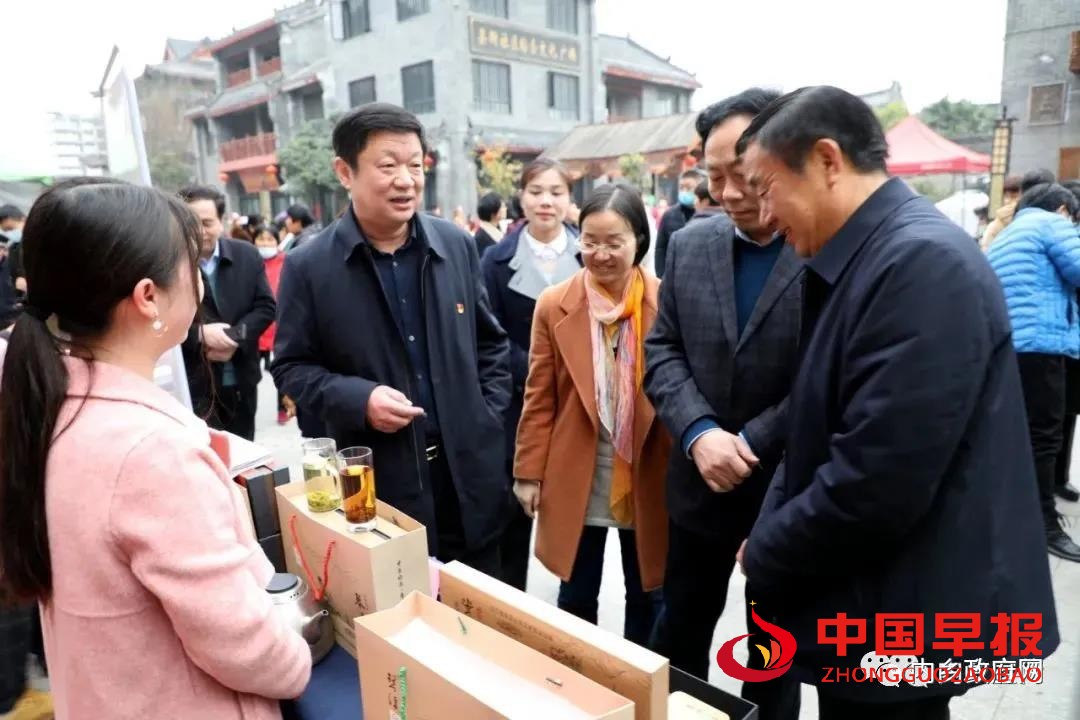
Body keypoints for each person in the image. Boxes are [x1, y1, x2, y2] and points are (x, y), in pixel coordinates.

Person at [737, 86, 1059, 720]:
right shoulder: (864, 256)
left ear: (827, 160)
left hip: (905, 611)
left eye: (766, 188)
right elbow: (818, 419)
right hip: (873, 597)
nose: (765, 216)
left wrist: (767, 548)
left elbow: (877, 480)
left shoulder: (919, 264)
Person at [0, 178, 311, 720]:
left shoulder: (51, 405)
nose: (199, 281)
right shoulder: (150, 452)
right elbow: (245, 646)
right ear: (148, 297)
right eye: (189, 266)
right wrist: (299, 656)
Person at [272, 103, 512, 574]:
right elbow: (291, 366)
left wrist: (485, 416)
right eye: (388, 166)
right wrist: (358, 400)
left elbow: (491, 344)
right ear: (345, 172)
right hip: (379, 486)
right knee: (401, 606)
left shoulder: (455, 245)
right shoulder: (309, 267)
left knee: (479, 607)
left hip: (468, 477)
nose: (406, 180)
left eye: (415, 165)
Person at [644, 88, 802, 720]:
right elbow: (663, 349)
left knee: (774, 654)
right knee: (681, 633)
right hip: (698, 482)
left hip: (785, 492)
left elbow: (828, 374)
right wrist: (699, 432)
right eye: (714, 177)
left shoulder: (822, 250)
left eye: (742, 174)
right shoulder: (690, 244)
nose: (730, 193)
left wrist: (752, 440)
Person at [514, 183, 670, 644]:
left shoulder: (665, 302)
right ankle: (580, 676)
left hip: (647, 470)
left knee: (647, 592)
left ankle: (638, 678)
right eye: (590, 241)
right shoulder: (554, 304)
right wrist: (528, 473)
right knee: (576, 593)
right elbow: (539, 395)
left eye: (614, 242)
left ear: (639, 240)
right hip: (578, 472)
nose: (601, 254)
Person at [481, 158, 583, 590]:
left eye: (556, 192)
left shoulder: (590, 254)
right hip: (517, 405)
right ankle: (512, 607)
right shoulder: (494, 260)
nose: (546, 201)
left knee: (580, 524)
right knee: (513, 520)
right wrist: (540, 369)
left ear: (569, 200)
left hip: (582, 403)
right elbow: (488, 336)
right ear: (520, 198)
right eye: (536, 191)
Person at [987, 183, 1080, 562]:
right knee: (1044, 438)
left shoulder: (1009, 234)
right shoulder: (1051, 223)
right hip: (1041, 344)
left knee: (1020, 435)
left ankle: (1010, 514)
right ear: (1062, 209)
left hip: (1009, 346)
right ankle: (1044, 526)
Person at [179, 185, 276, 440]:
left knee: (245, 448)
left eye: (207, 223)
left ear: (221, 222)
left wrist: (233, 337)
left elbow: (266, 307)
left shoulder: (247, 255)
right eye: (190, 223)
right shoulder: (169, 262)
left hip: (242, 377)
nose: (199, 231)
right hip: (196, 383)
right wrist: (199, 335)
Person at [253, 225, 289, 426]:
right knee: (252, 373)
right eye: (261, 239)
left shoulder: (287, 262)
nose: (265, 243)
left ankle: (283, 407)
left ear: (277, 242)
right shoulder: (250, 263)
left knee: (282, 370)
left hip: (280, 327)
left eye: (269, 239)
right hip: (256, 328)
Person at [982, 169, 1056, 251]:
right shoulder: (998, 223)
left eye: (1014, 197)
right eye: (1006, 196)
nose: (1007, 201)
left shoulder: (1030, 218)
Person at [654, 169, 705, 277]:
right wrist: (661, 276)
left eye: (689, 188)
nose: (684, 191)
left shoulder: (706, 214)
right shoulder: (669, 215)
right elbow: (661, 248)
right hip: (674, 275)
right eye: (681, 187)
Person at [0, 205, 26, 296]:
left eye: (11, 228)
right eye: (6, 230)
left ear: (23, 219)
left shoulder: (41, 239)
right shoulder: (14, 248)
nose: (10, 233)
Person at [473, 191, 505, 257]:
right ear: (493, 212)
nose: (506, 209)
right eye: (503, 206)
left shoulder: (499, 229)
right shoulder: (481, 237)